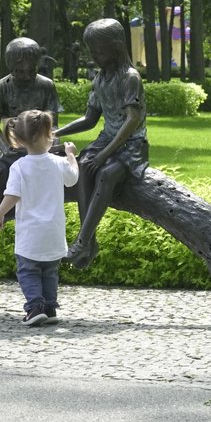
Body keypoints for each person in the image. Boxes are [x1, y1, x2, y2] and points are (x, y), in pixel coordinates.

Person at [55, 18, 148, 269]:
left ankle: (82, 241)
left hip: (132, 144)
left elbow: (132, 121)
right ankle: (89, 243)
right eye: (92, 51)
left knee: (106, 174)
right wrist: (57, 131)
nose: (94, 57)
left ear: (116, 48)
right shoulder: (100, 79)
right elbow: (90, 119)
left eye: (99, 51)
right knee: (84, 166)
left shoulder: (130, 78)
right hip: (108, 138)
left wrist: (105, 153)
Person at [0, 37, 62, 258]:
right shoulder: (1, 87)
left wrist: (48, 145)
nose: (26, 75)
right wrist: (5, 148)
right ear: (11, 67)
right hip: (12, 148)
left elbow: (53, 123)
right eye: (20, 71)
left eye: (31, 70)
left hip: (41, 148)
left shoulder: (46, 85)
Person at [0, 110, 79, 326]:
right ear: (49, 136)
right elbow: (72, 179)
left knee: (28, 271)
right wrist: (71, 155)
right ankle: (50, 308)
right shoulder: (58, 162)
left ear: (21, 140)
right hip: (54, 232)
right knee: (50, 271)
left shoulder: (19, 166)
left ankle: (34, 308)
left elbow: (12, 195)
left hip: (30, 234)